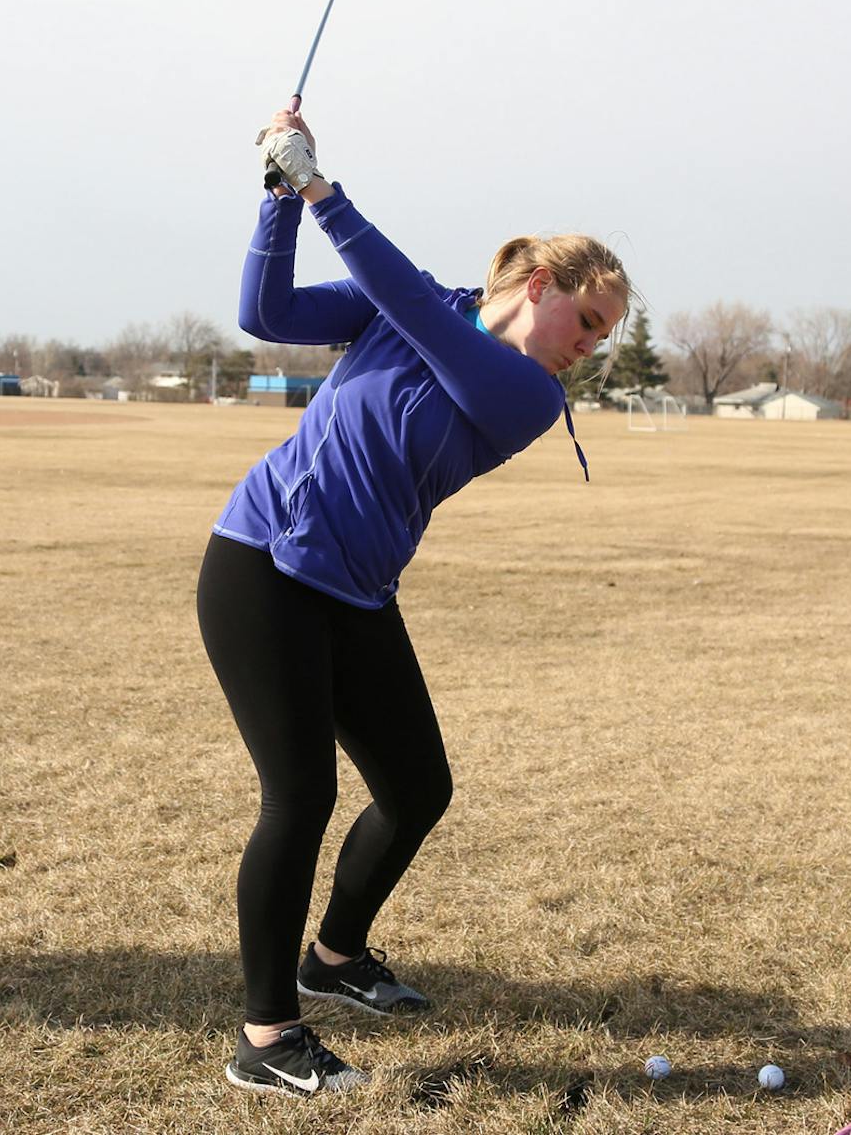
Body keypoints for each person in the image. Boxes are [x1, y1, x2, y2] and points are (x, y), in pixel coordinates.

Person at [207, 112, 630, 1095]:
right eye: (589, 322)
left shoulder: (528, 394)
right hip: (261, 561)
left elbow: (418, 314)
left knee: (417, 787)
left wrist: (324, 190)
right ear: (539, 289)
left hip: (354, 590)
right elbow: (264, 313)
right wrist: (281, 199)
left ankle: (337, 956)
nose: (592, 348)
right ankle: (267, 1038)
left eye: (605, 336)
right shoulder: (418, 304)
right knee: (302, 793)